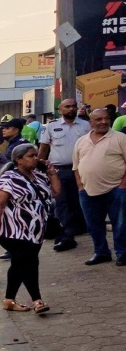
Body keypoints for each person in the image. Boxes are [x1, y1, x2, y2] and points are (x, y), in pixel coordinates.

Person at [0, 144, 59, 313]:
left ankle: (9, 300)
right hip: (14, 231)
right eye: (31, 156)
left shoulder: (39, 176)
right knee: (29, 263)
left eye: (36, 155)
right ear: (18, 159)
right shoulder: (8, 179)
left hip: (36, 231)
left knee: (19, 264)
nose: (36, 158)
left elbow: (55, 192)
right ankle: (37, 300)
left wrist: (51, 173)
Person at [73, 108, 126, 266]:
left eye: (106, 118)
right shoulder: (81, 141)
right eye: (98, 119)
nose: (103, 122)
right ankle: (101, 252)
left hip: (116, 189)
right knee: (93, 225)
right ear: (91, 122)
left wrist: (123, 185)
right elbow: (76, 166)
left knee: (120, 224)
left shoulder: (120, 138)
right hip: (88, 191)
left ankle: (122, 254)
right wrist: (80, 186)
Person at [40, 98, 92, 252]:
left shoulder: (86, 125)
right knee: (61, 200)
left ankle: (80, 227)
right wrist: (39, 167)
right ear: (60, 109)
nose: (71, 109)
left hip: (82, 169)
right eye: (67, 106)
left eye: (73, 106)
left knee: (79, 198)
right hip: (59, 170)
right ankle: (65, 230)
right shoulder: (51, 126)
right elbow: (43, 148)